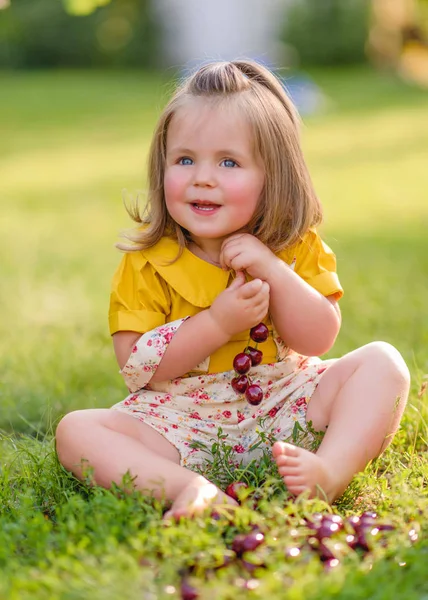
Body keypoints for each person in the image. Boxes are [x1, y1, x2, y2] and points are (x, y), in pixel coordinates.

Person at [55, 60, 410, 518]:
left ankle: (328, 471)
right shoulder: (148, 261)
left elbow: (319, 338)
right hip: (180, 422)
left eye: (229, 162)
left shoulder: (295, 246)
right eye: (185, 160)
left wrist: (273, 270)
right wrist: (217, 323)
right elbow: (136, 367)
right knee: (76, 431)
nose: (203, 177)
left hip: (287, 404)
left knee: (384, 363)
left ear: (274, 175)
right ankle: (189, 488)